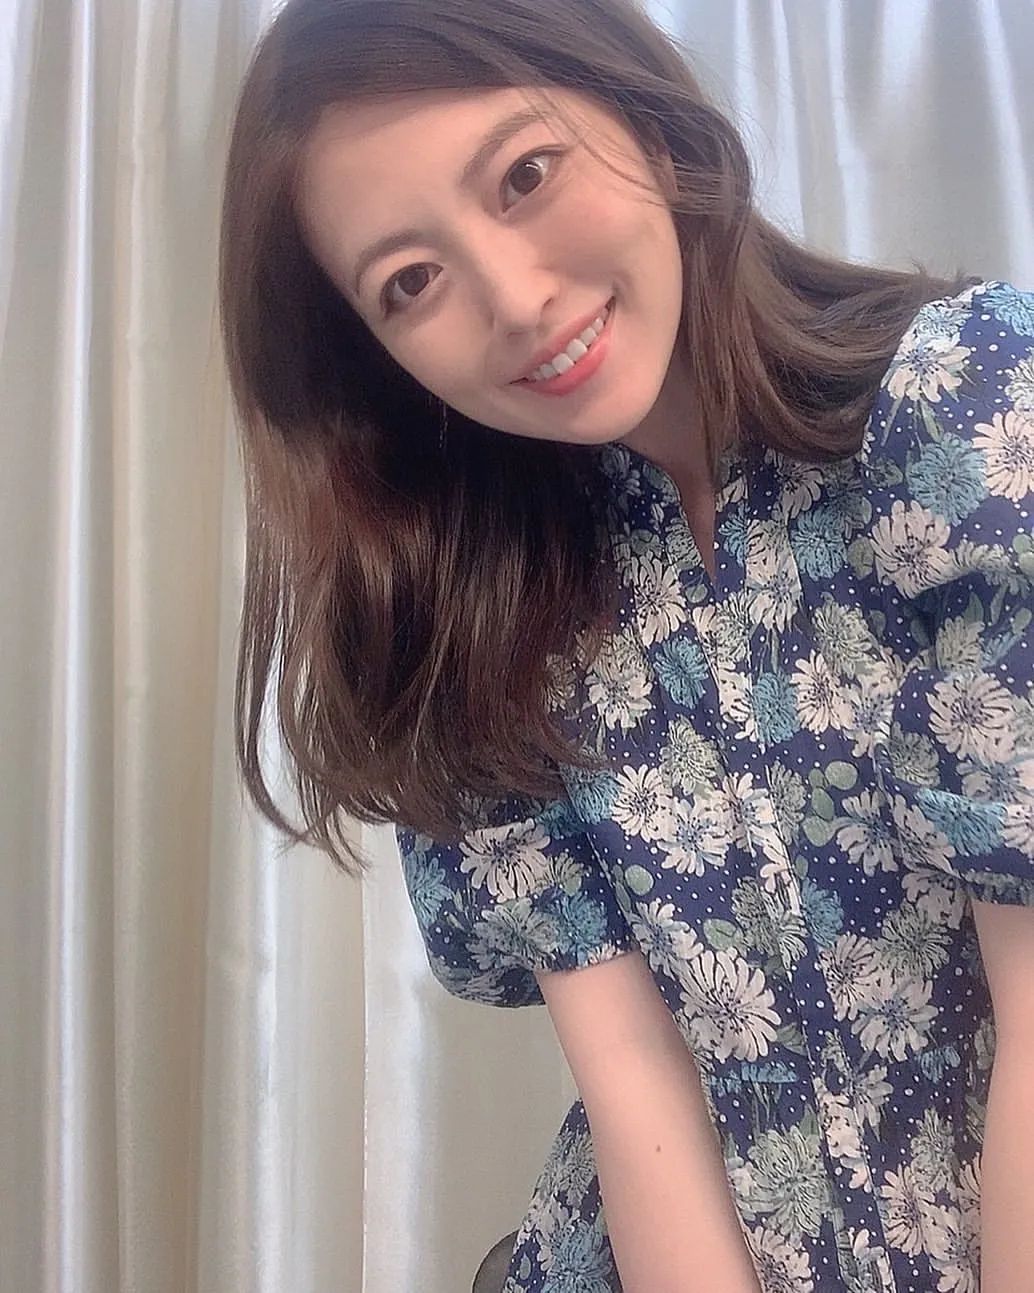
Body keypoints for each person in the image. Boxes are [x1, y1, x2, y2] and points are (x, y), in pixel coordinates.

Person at [218, 0, 1034, 1289]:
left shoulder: (965, 414)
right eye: (410, 283)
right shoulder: (487, 607)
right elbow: (633, 1081)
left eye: (524, 175)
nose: (516, 300)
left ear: (638, 111)